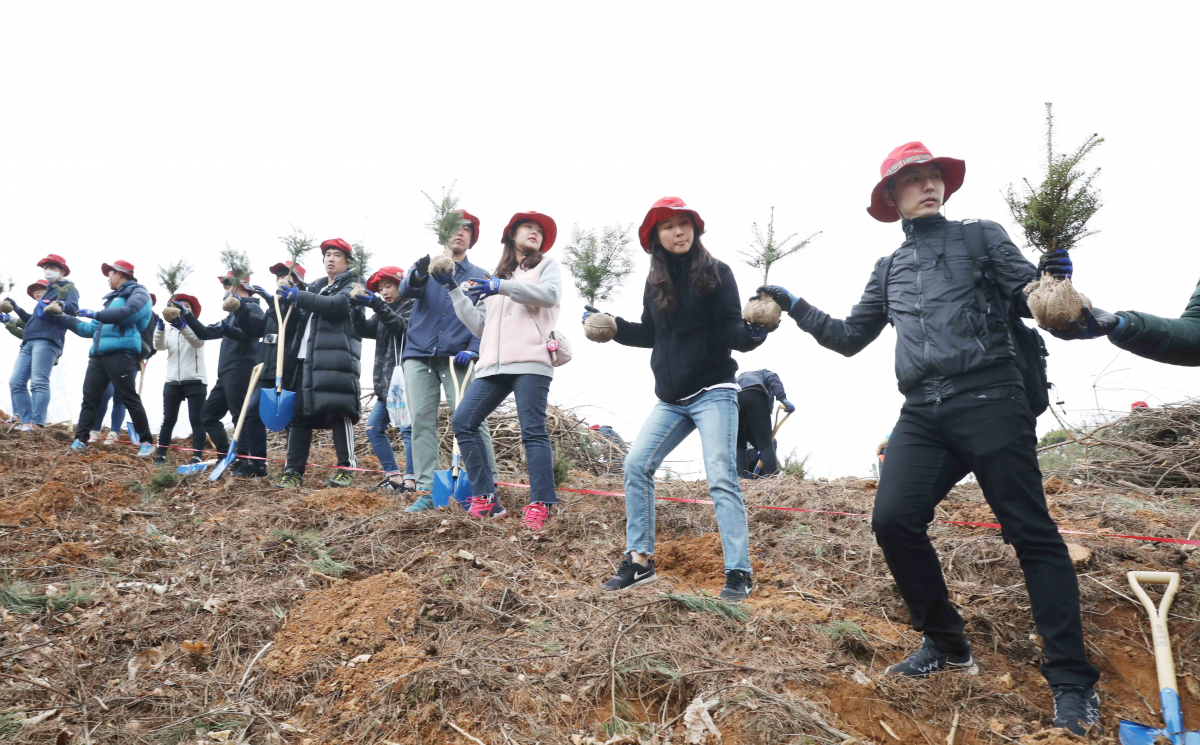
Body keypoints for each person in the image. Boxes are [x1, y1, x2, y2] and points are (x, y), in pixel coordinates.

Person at [757, 142, 1100, 735]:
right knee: (893, 519)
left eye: (934, 175)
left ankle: (1072, 681)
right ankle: (946, 643)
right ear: (892, 197)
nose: (928, 185)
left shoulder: (980, 236)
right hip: (922, 411)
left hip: (991, 396)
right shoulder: (888, 269)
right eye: (913, 179)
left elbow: (1030, 301)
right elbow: (848, 337)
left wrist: (1052, 282)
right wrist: (793, 304)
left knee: (1031, 533)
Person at [593, 197, 769, 601]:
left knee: (721, 476)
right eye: (669, 226)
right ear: (656, 236)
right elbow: (651, 333)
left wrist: (757, 330)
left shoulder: (717, 272)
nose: (678, 231)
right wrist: (612, 326)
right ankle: (640, 563)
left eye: (684, 223)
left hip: (714, 391)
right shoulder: (655, 282)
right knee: (636, 465)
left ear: (695, 228)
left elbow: (734, 332)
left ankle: (739, 572)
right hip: (671, 399)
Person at [445, 211, 563, 529]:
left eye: (540, 231)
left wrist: (502, 286)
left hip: (531, 360)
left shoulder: (545, 266)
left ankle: (540, 503)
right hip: (492, 365)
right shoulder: (494, 276)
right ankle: (486, 499)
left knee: (532, 430)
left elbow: (550, 295)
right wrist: (453, 290)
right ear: (512, 234)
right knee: (464, 421)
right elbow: (479, 326)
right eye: (528, 227)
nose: (535, 233)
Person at [399, 210, 497, 511]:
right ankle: (427, 490)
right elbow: (406, 290)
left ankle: (488, 486)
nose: (460, 232)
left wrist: (475, 348)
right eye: (455, 228)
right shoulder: (426, 268)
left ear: (472, 238)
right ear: (443, 234)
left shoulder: (480, 275)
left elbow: (488, 318)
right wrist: (419, 273)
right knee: (421, 422)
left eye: (467, 229)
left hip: (459, 358)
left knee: (471, 418)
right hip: (419, 354)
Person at [273, 238, 363, 489]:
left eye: (337, 255)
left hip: (336, 359)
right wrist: (286, 299)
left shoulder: (354, 284)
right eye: (327, 255)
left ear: (347, 261)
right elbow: (293, 320)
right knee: (298, 416)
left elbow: (337, 306)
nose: (331, 259)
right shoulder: (316, 286)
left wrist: (299, 295)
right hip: (305, 360)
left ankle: (346, 468)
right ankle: (293, 471)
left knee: (340, 412)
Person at [182, 272, 267, 477]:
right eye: (224, 286)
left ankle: (245, 461)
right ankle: (226, 455)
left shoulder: (252, 308)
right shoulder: (231, 314)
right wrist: (186, 317)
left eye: (228, 285)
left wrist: (228, 327)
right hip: (226, 371)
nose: (225, 289)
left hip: (241, 367)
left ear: (242, 286)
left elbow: (248, 335)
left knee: (241, 416)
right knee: (208, 415)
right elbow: (205, 332)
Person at [69, 260, 155, 456]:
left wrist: (97, 314)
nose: (108, 278)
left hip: (122, 353)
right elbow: (89, 329)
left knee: (128, 397)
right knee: (90, 398)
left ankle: (147, 441)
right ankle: (80, 439)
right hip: (98, 355)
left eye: (110, 273)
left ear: (120, 274)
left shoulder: (140, 293)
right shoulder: (110, 301)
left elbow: (131, 312)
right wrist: (63, 318)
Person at [351, 266, 416, 494]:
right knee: (373, 428)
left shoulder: (413, 306)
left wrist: (377, 304)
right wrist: (356, 308)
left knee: (407, 430)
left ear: (401, 285)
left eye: (388, 286)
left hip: (405, 382)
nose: (384, 292)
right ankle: (394, 477)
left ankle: (412, 480)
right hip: (385, 384)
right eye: (380, 289)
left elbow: (400, 327)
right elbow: (363, 329)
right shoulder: (382, 310)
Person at [6, 254, 79, 432]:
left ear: (62, 270)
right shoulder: (48, 293)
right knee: (16, 382)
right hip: (28, 342)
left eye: (52, 268)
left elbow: (73, 308)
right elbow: (33, 320)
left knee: (38, 381)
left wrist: (60, 305)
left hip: (47, 340)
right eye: (45, 268)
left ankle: (36, 424)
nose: (48, 271)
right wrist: (16, 308)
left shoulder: (69, 289)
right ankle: (25, 422)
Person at [153, 293, 207, 464]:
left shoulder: (197, 328)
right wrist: (159, 330)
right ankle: (161, 455)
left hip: (195, 380)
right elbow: (159, 346)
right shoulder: (170, 331)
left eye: (186, 306)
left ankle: (197, 455)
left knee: (196, 419)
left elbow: (198, 342)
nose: (181, 308)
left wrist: (184, 327)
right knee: (168, 419)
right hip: (173, 381)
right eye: (178, 305)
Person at [734, 369, 794, 478]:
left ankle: (741, 479)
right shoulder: (764, 373)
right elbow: (773, 379)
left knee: (740, 445)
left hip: (735, 398)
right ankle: (772, 477)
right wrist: (782, 398)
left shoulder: (738, 378)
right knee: (766, 444)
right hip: (756, 394)